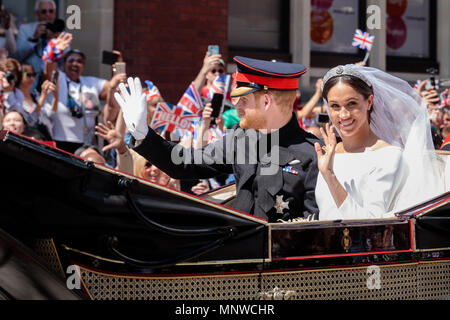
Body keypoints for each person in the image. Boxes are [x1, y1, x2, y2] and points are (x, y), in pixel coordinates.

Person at [115, 56, 321, 222]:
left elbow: (313, 230)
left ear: (266, 101)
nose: (237, 107)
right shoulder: (241, 140)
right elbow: (183, 163)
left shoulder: (313, 154)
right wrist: (143, 133)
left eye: (244, 100)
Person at [315, 64, 445, 221]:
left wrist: (330, 177)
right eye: (335, 106)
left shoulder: (388, 155)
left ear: (369, 102)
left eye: (352, 104)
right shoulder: (328, 154)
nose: (343, 115)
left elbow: (369, 223)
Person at [43, 49, 125, 153]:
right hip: (60, 141)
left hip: (86, 144)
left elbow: (112, 87)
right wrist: (54, 50)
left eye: (79, 61)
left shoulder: (90, 82)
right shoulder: (60, 78)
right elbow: (49, 71)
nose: (75, 63)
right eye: (71, 60)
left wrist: (119, 68)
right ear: (64, 63)